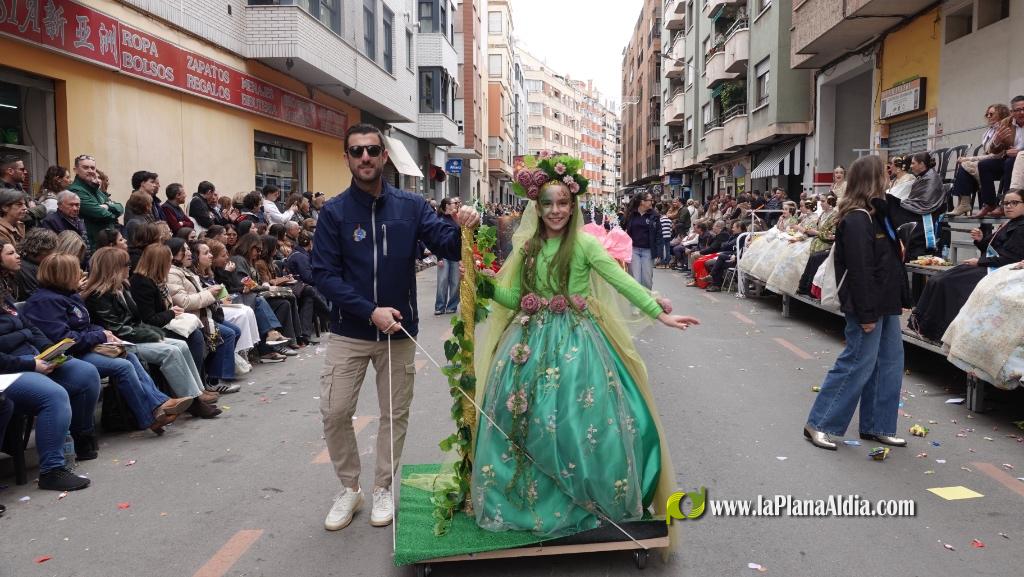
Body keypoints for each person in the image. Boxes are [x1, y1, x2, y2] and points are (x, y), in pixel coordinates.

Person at [470, 154, 697, 537]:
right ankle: (528, 501)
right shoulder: (526, 248)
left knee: (574, 424)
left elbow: (620, 281)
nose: (556, 210)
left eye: (562, 203)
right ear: (537, 208)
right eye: (548, 204)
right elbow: (513, 296)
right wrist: (482, 280)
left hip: (576, 346)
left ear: (572, 205)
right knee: (523, 420)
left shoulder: (585, 247)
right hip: (526, 344)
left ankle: (580, 498)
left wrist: (658, 312)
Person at [312, 123, 478, 531]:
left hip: (399, 331)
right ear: (347, 158)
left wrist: (466, 225)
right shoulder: (334, 213)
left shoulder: (411, 206)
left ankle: (384, 486)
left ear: (384, 155)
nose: (365, 157)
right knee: (334, 412)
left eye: (372, 150)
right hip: (350, 331)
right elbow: (323, 275)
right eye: (356, 152)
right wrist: (369, 310)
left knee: (393, 414)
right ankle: (350, 489)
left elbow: (448, 245)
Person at [804, 155, 910, 451]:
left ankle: (878, 426)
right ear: (873, 178)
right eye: (883, 172)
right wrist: (866, 313)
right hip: (868, 304)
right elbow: (861, 271)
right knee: (857, 363)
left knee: (889, 364)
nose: (889, 175)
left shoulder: (878, 213)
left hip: (886, 301)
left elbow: (890, 260)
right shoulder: (855, 219)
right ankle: (819, 423)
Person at [24, 254, 193, 434]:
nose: (81, 274)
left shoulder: (68, 295)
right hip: (69, 355)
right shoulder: (45, 301)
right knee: (122, 366)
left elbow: (85, 325)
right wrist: (99, 336)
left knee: (130, 356)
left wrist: (103, 333)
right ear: (63, 274)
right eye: (76, 271)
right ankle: (150, 417)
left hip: (85, 347)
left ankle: (159, 404)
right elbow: (64, 339)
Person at [83, 247, 220, 418]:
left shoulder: (122, 288)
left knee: (181, 346)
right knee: (170, 351)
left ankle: (196, 394)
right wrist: (150, 333)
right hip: (120, 343)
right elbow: (117, 328)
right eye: (126, 264)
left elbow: (136, 319)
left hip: (134, 336)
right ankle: (192, 401)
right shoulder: (98, 295)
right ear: (114, 268)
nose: (129, 267)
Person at [909, 190, 1024, 342]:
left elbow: (1010, 258)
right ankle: (923, 325)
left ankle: (940, 331)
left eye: (1014, 203)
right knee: (937, 279)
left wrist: (979, 262)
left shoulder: (1021, 227)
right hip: (989, 265)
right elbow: (991, 249)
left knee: (948, 283)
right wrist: (981, 240)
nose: (1008, 206)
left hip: (1001, 271)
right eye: (1006, 203)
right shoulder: (1009, 223)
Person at [166, 238, 241, 391]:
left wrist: (210, 292)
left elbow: (196, 293)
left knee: (233, 331)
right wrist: (210, 294)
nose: (188, 253)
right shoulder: (173, 274)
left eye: (188, 249)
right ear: (174, 254)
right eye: (183, 250)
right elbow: (184, 302)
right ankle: (215, 380)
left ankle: (217, 376)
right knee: (227, 334)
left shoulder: (185, 270)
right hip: (192, 318)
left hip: (203, 315)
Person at [947, 103, 1011, 217]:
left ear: (1001, 114)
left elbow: (996, 155)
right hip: (992, 162)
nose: (988, 116)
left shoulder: (1004, 129)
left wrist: (970, 158)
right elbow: (988, 154)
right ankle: (964, 202)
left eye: (991, 114)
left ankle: (968, 203)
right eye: (987, 114)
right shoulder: (988, 132)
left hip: (1002, 162)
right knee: (966, 166)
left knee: (969, 165)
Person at [888, 152, 946, 260]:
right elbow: (915, 200)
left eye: (913, 163)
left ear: (922, 164)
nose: (910, 166)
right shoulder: (922, 177)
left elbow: (925, 203)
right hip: (917, 211)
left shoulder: (931, 179)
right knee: (891, 202)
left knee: (893, 203)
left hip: (925, 215)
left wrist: (903, 203)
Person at [977, 95, 1024, 218]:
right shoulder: (1006, 123)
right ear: (1012, 112)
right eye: (1018, 110)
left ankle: (1007, 202)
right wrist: (997, 141)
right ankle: (990, 203)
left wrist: (1019, 151)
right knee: (984, 165)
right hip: (1009, 159)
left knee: (1010, 162)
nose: (1022, 112)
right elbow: (993, 150)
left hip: (1020, 160)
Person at [68, 155, 123, 248]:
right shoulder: (75, 190)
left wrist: (107, 206)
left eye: (93, 168)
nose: (90, 170)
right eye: (85, 167)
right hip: (93, 244)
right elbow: (100, 213)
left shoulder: (96, 190)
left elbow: (120, 207)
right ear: (75, 170)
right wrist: (112, 212)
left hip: (108, 243)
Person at [623, 192, 658, 289]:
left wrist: (659, 252)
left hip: (648, 250)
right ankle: (635, 302)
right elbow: (622, 228)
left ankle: (646, 301)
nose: (652, 202)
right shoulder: (631, 214)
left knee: (647, 280)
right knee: (635, 279)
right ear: (642, 202)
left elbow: (659, 235)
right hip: (633, 250)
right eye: (650, 200)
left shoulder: (654, 215)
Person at [434, 198, 461, 315]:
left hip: (456, 256)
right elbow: (437, 240)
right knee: (442, 282)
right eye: (453, 203)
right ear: (446, 206)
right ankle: (440, 306)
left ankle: (452, 306)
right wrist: (438, 257)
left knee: (455, 283)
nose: (456, 205)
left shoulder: (457, 219)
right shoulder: (439, 220)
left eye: (456, 203)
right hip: (444, 255)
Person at [16, 227, 58, 298]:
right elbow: (34, 296)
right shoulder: (23, 268)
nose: (53, 255)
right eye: (52, 251)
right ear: (43, 250)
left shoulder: (31, 264)